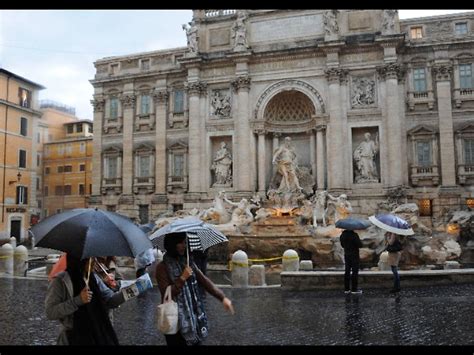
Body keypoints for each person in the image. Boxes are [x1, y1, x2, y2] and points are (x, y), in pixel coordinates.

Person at [155, 232, 234, 346]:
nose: (184, 246)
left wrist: (222, 298)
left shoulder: (188, 262)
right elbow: (166, 293)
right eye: (180, 243)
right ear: (172, 244)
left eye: (185, 242)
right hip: (174, 320)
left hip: (193, 316)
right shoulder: (162, 267)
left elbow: (204, 281)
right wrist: (182, 278)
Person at [45, 254, 126, 345]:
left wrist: (131, 291)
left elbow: (111, 300)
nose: (94, 262)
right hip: (73, 337)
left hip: (98, 334)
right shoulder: (60, 281)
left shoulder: (93, 278)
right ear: (80, 261)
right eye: (90, 259)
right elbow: (50, 312)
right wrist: (78, 300)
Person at [340, 229, 363, 294]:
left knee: (347, 271)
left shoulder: (342, 235)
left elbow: (342, 245)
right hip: (354, 255)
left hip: (346, 254)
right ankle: (354, 289)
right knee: (355, 271)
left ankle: (346, 289)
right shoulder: (354, 235)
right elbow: (360, 245)